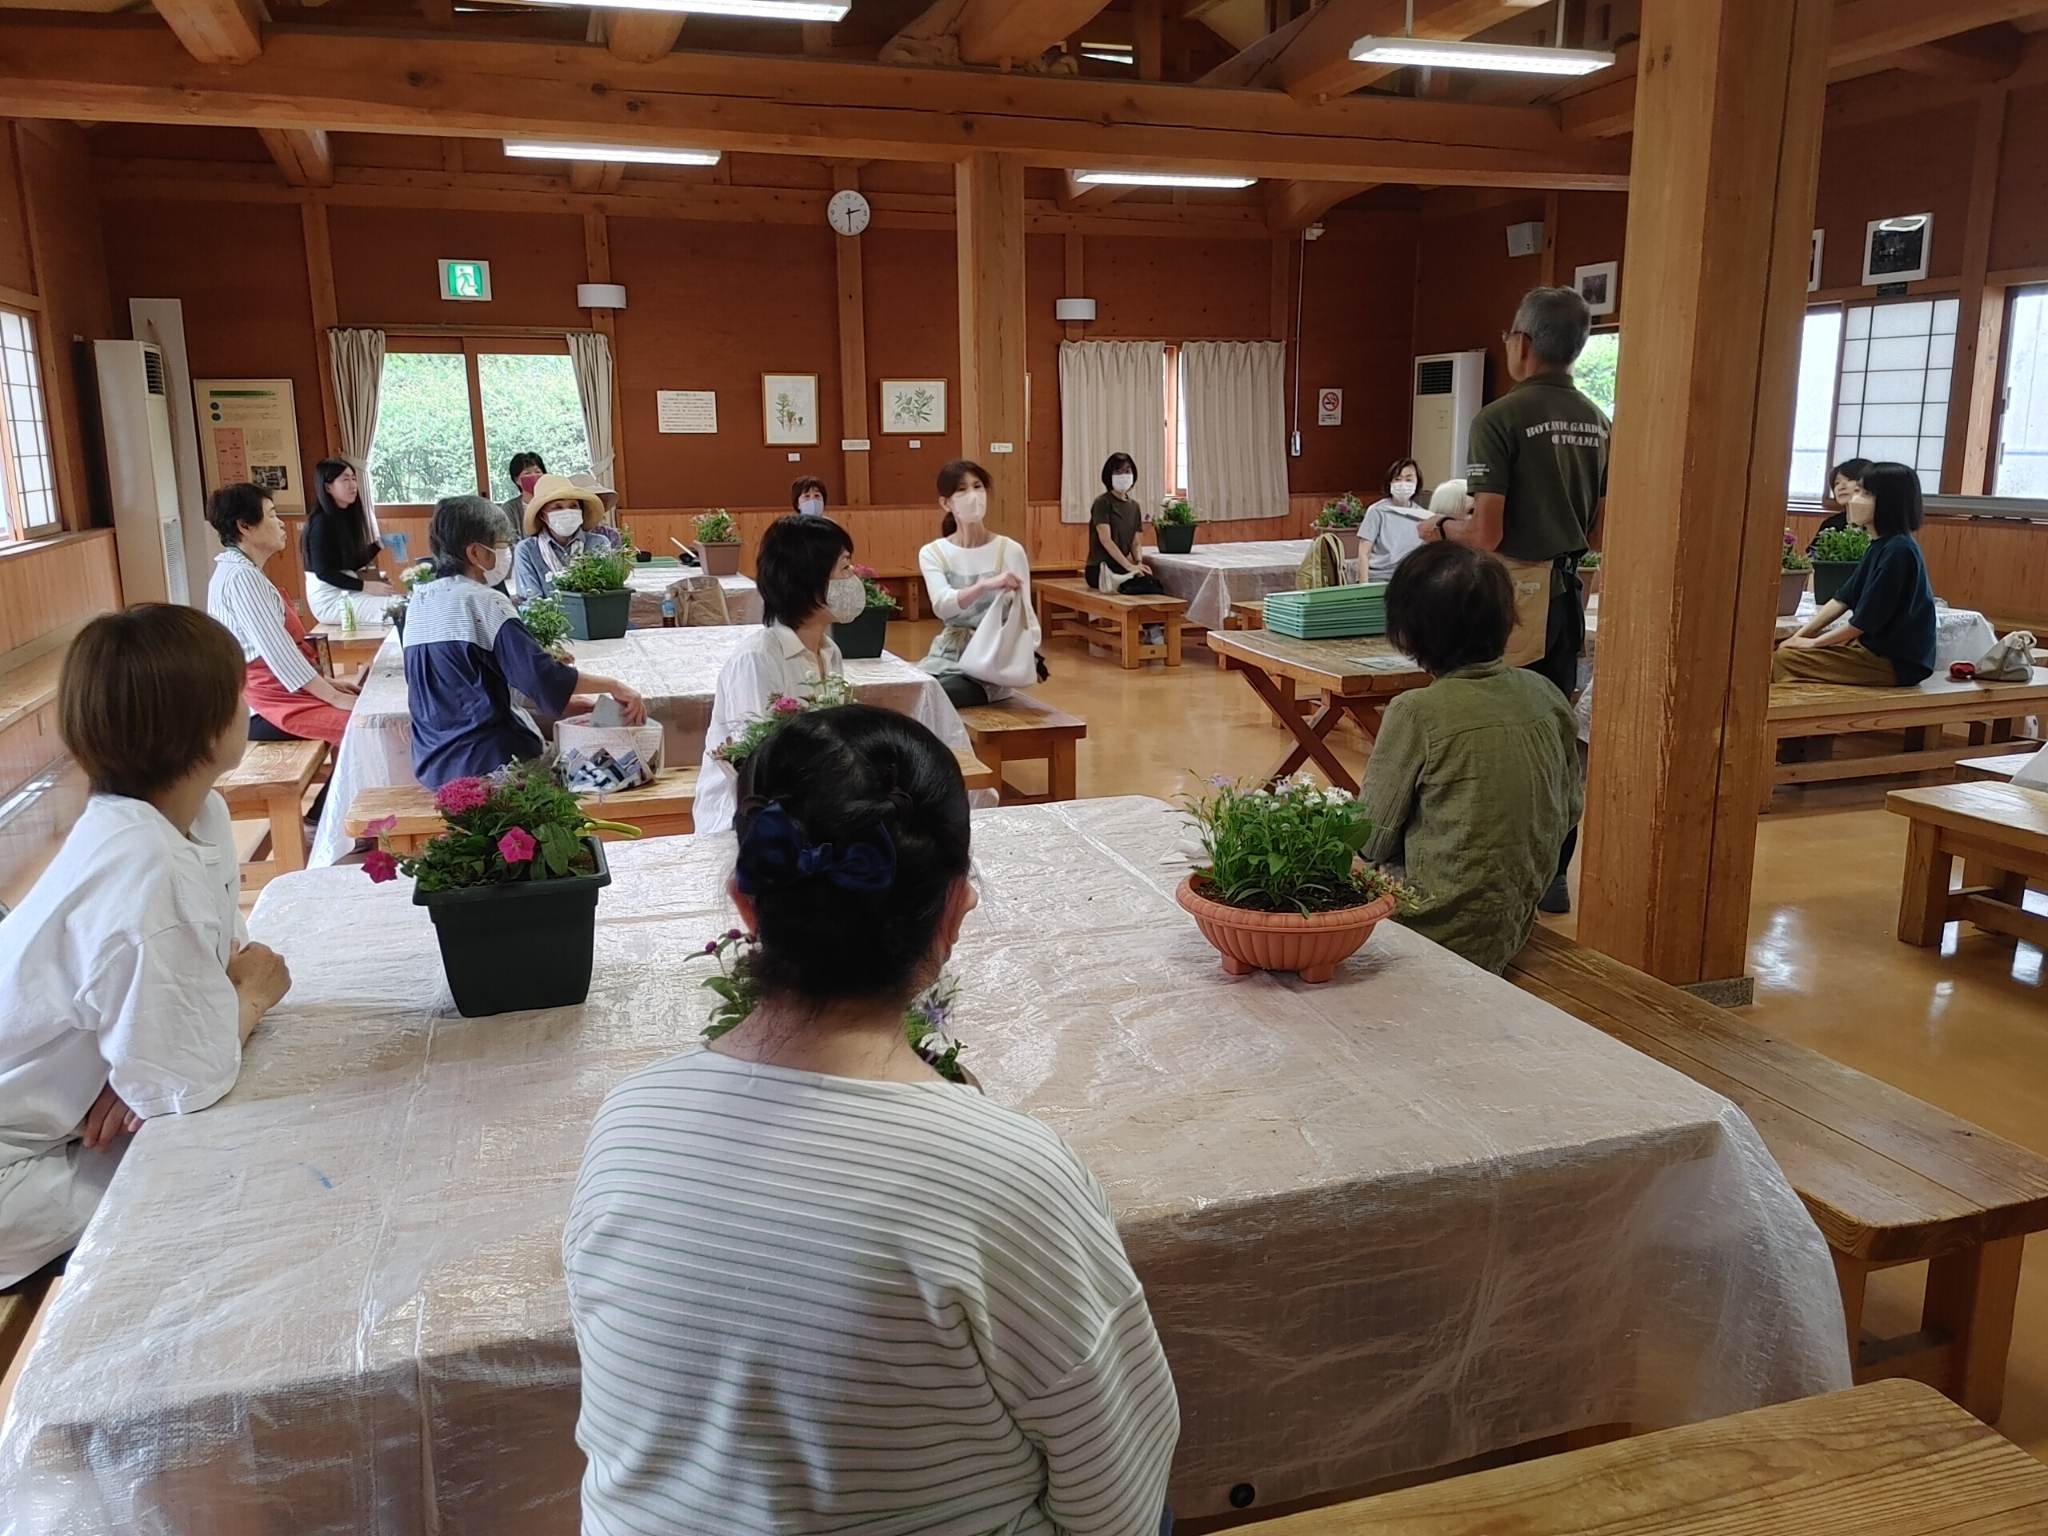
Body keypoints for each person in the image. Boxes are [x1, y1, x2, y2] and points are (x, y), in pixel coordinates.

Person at [566, 705, 1180, 1536]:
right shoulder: (1007, 1177)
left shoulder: (629, 1124)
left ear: (746, 906)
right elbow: (1119, 1499)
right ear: (953, 913)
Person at [0, 606, 293, 1288]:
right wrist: (250, 998)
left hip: (64, 1122)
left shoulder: (187, 815)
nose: (247, 704)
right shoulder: (142, 866)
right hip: (18, 1175)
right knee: (237, 1185)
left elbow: (217, 966)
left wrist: (141, 1061)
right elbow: (188, 1079)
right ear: (204, 725)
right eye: (237, 692)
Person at [1421, 286, 1607, 914]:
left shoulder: (1499, 418)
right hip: (1566, 595)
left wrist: (1438, 529)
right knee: (1552, 732)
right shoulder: (1598, 420)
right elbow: (1599, 528)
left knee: (1486, 730)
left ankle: (1487, 872)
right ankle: (1553, 872)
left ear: (1522, 343)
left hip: (1506, 600)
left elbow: (1486, 534)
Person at [1357, 543, 1581, 974]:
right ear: (1507, 620)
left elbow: (1369, 840)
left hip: (1427, 929)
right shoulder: (1545, 693)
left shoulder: (1417, 711)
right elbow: (1570, 808)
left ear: (1407, 631)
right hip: (1514, 921)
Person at [402, 495, 646, 789]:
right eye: (501, 544)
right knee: (613, 772)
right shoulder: (485, 601)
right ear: (476, 552)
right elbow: (540, 677)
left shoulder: (419, 602)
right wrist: (614, 685)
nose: (506, 552)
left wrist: (565, 699)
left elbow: (467, 685)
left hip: (433, 764)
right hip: (491, 763)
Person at [692, 514, 866, 837]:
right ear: (807, 578)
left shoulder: (829, 651)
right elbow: (756, 764)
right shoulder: (757, 659)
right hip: (746, 819)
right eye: (844, 567)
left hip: (809, 804)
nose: (853, 578)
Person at [205, 482, 357, 749]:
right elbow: (277, 652)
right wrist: (333, 696)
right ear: (245, 526)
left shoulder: (240, 570)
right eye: (272, 515)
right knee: (366, 723)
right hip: (264, 705)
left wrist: (327, 684)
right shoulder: (241, 577)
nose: (281, 524)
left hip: (281, 690)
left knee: (363, 708)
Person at [1772, 461, 1935, 687]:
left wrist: (1812, 644)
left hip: (1894, 662)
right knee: (1779, 648)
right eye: (1857, 491)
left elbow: (1862, 623)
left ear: (1889, 502)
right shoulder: (1879, 545)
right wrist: (1799, 636)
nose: (1854, 500)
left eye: (1865, 494)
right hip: (1870, 651)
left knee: (1783, 659)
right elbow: (1842, 599)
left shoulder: (1899, 551)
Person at [917, 460, 1041, 707]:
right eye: (962, 489)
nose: (973, 495)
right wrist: (985, 585)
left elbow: (1025, 613)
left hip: (990, 662)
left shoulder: (1009, 550)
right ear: (946, 503)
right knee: (914, 694)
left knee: (938, 697)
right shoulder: (933, 552)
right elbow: (943, 606)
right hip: (945, 656)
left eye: (978, 486)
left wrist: (1031, 654)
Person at [301, 458, 400, 627]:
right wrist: (366, 586)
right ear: (328, 487)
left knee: (400, 602)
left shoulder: (343, 517)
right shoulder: (321, 522)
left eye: (353, 478)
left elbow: (349, 563)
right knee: (398, 608)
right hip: (330, 600)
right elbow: (323, 572)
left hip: (347, 592)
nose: (352, 485)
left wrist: (380, 544)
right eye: (345, 479)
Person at [511, 474, 616, 599]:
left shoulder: (598, 544)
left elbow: (607, 594)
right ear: (542, 515)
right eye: (557, 507)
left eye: (573, 506)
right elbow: (532, 600)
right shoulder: (527, 550)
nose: (567, 512)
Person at [1086, 452, 1165, 596]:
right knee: (1136, 586)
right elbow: (1106, 540)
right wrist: (1129, 566)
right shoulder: (1102, 502)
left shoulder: (1134, 506)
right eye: (1118, 471)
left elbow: (1136, 543)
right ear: (1109, 475)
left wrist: (1138, 563)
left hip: (1122, 566)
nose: (1123, 475)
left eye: (1127, 471)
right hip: (1100, 568)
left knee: (1152, 583)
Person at [1357, 458, 1429, 584]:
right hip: (1379, 578)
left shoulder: (1424, 516)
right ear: (1390, 482)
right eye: (1398, 479)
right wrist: (1364, 587)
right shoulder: (1377, 511)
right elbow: (1364, 553)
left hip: (1409, 579)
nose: (1403, 484)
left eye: (1408, 479)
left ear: (1417, 482)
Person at [1807, 456, 1871, 552]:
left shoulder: (1878, 525)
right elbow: (1812, 555)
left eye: (1849, 480)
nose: (1841, 486)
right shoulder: (1831, 524)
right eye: (1837, 483)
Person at [499, 451, 548, 539]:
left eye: (537, 472)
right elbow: (510, 540)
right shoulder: (509, 508)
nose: (534, 476)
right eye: (527, 473)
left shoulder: (552, 503)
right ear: (516, 480)